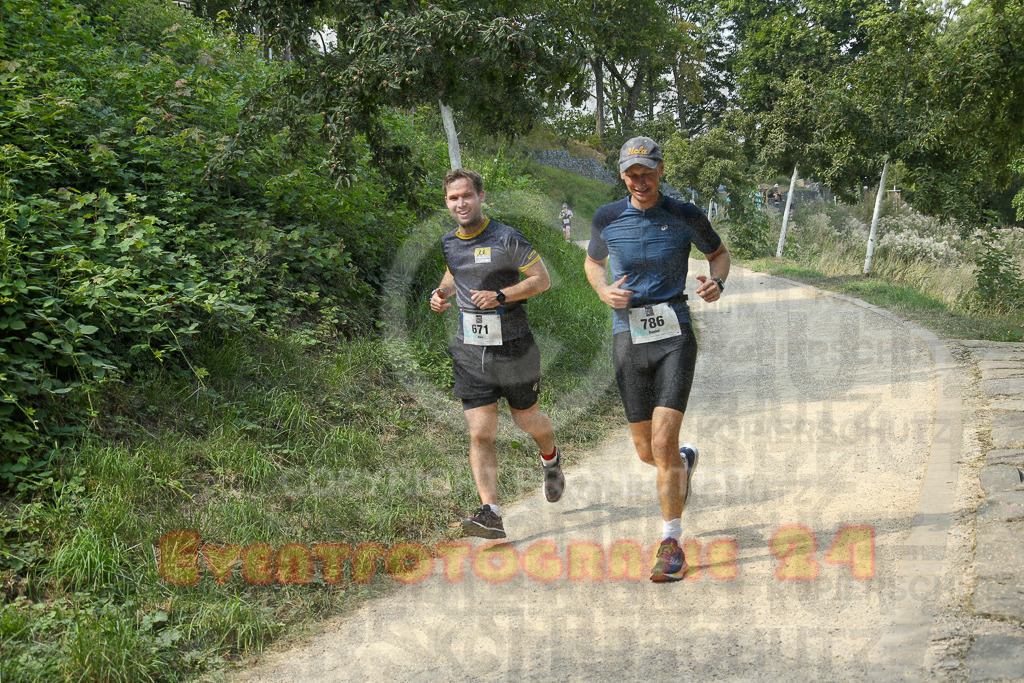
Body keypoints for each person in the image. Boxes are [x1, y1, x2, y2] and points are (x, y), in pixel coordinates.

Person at [583, 137, 730, 582]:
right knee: (648, 451)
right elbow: (593, 263)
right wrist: (603, 290)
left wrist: (717, 283)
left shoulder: (685, 214)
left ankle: (670, 542)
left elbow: (718, 254)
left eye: (647, 171)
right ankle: (683, 463)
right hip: (628, 337)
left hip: (674, 335)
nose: (639, 180)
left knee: (662, 443)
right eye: (631, 173)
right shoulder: (608, 216)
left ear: (661, 170)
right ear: (622, 175)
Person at [430, 168, 565, 540]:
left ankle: (550, 458)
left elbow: (542, 280)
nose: (461, 203)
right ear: (447, 202)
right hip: (471, 351)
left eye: (467, 196)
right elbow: (455, 272)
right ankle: (490, 512)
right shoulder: (449, 242)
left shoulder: (506, 237)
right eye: (453, 198)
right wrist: (440, 295)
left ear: (481, 196)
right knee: (480, 432)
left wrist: (501, 295)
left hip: (514, 348)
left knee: (527, 420)